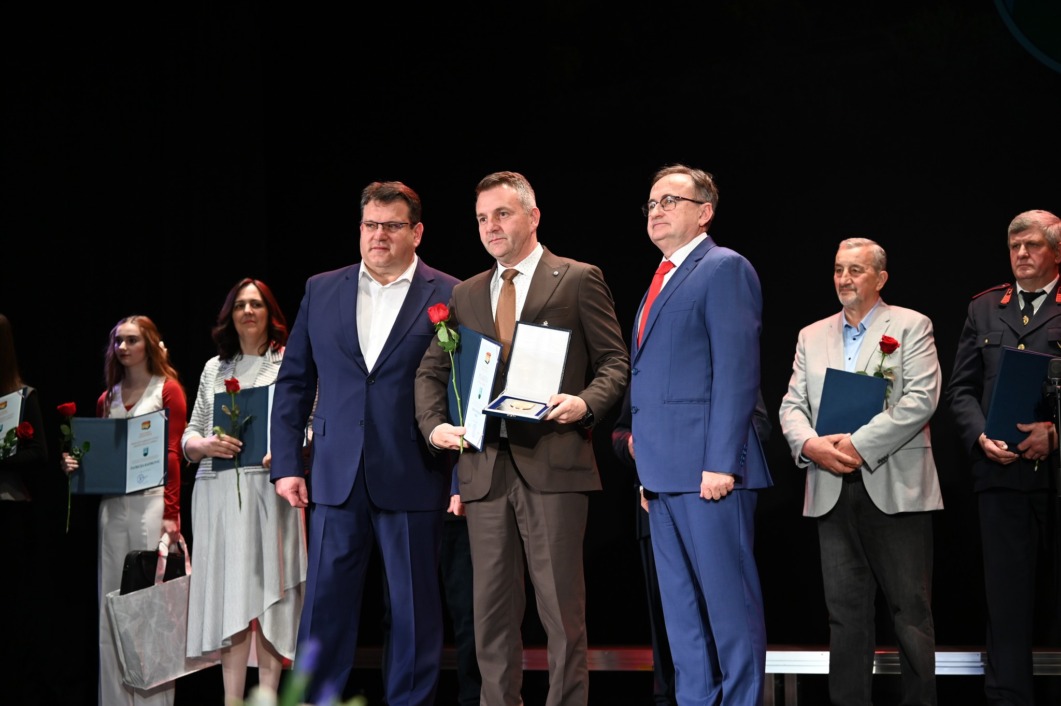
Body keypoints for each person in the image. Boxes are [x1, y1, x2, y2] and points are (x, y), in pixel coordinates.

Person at [415, 170, 630, 706]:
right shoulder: (465, 293)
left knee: (561, 613)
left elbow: (614, 363)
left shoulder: (577, 278)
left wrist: (585, 403)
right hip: (485, 470)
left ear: (533, 217)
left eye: (502, 214)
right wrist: (435, 426)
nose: (490, 226)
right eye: (482, 218)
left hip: (553, 463)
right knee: (489, 616)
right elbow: (431, 372)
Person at [270, 180, 460, 706]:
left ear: (416, 232)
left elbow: (461, 388)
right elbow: (294, 381)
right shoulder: (321, 289)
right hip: (335, 475)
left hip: (415, 471)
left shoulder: (450, 293)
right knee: (324, 610)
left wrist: (461, 477)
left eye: (392, 226)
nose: (379, 235)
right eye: (371, 225)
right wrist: (287, 464)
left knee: (415, 612)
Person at [628, 164, 771, 706]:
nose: (657, 210)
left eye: (671, 200)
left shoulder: (724, 268)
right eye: (651, 203)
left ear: (704, 212)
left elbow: (737, 371)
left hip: (710, 473)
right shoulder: (660, 277)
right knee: (683, 619)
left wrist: (722, 463)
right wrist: (647, 473)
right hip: (662, 477)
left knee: (730, 610)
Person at [778, 237, 943, 706]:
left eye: (856, 270)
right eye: (838, 270)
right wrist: (810, 445)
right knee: (844, 615)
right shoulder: (812, 335)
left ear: (881, 278)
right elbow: (792, 405)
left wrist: (856, 444)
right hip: (830, 485)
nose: (844, 279)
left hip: (895, 485)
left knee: (910, 612)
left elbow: (920, 400)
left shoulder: (911, 325)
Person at [945, 209, 1061, 706]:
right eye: (1015, 246)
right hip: (1001, 475)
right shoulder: (986, 308)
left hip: (1057, 473)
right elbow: (961, 390)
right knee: (1006, 602)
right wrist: (979, 437)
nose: (1022, 254)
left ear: (1056, 251)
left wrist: (1056, 435)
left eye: (1032, 245)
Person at [181, 277, 308, 705]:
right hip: (218, 492)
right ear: (230, 316)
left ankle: (268, 697)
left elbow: (310, 424)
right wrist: (203, 445)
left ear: (270, 314)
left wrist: (286, 450)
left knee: (273, 595)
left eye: (256, 304)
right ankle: (232, 700)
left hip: (271, 491)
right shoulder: (215, 368)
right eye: (240, 305)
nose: (248, 311)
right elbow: (189, 435)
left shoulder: (288, 362)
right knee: (231, 599)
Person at [611, 387, 773, 706]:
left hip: (712, 493)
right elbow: (624, 428)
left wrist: (709, 460)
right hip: (656, 496)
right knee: (680, 629)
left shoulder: (715, 361)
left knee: (730, 620)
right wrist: (638, 451)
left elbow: (757, 421)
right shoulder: (648, 366)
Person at [61, 314, 187, 706]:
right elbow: (101, 457)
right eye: (118, 341)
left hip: (152, 504)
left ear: (149, 343)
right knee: (112, 603)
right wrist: (76, 464)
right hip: (113, 507)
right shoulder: (107, 398)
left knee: (150, 604)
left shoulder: (167, 390)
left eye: (132, 340)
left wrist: (171, 513)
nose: (123, 347)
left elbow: (173, 454)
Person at [0, 313, 49, 705]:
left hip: (9, 513)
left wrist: (3, 458)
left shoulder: (21, 396)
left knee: (11, 611)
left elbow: (40, 453)